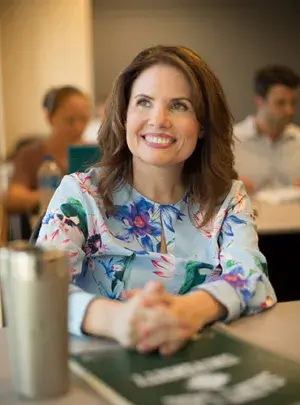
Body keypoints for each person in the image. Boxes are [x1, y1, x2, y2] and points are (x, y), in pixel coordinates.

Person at [36, 45, 276, 356]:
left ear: (202, 125)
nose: (158, 119)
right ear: (124, 115)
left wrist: (187, 312)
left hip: (204, 363)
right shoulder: (80, 194)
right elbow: (39, 289)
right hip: (98, 368)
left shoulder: (227, 197)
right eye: (144, 102)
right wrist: (118, 320)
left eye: (179, 106)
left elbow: (254, 280)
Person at [6, 86, 91, 213]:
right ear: (50, 118)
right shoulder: (30, 154)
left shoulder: (94, 153)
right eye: (70, 120)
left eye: (83, 119)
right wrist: (54, 195)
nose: (78, 128)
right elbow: (14, 196)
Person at [234, 65, 300, 194]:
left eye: (293, 103)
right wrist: (227, 185)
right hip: (249, 213)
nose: (290, 111)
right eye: (281, 103)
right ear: (260, 102)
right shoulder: (230, 141)